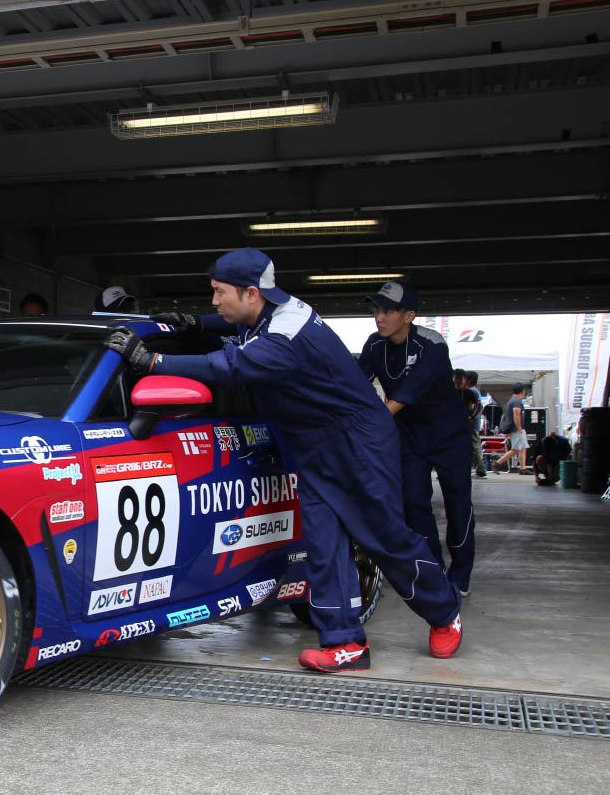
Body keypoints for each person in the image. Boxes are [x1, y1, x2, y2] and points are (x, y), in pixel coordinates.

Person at [104, 248, 462, 672]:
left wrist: (154, 361)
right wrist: (200, 324)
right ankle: (345, 643)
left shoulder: (286, 337)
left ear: (251, 292)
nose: (215, 301)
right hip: (313, 442)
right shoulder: (273, 312)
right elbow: (234, 327)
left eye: (219, 293)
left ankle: (444, 613)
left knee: (382, 537)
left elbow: (232, 366)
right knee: (324, 544)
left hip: (356, 441)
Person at [357, 283, 475, 597]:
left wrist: (374, 420)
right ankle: (434, 571)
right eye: (376, 310)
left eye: (388, 311)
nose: (379, 317)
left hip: (449, 435)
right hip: (409, 436)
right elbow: (353, 384)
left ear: (409, 315)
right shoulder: (374, 345)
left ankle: (460, 576)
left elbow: (410, 390)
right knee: (413, 504)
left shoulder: (431, 344)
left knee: (458, 505)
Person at [494, 383, 530, 474]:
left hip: (515, 428)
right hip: (517, 429)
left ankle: (523, 468)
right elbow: (516, 415)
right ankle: (497, 464)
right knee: (516, 449)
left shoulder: (512, 400)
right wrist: (519, 428)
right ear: (522, 391)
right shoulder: (517, 401)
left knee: (522, 448)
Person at [464, 370, 487, 478]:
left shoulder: (471, 391)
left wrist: (471, 417)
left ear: (468, 380)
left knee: (474, 446)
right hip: (474, 423)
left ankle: (481, 469)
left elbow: (477, 406)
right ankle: (479, 469)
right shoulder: (475, 390)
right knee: (475, 445)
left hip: (471, 423)